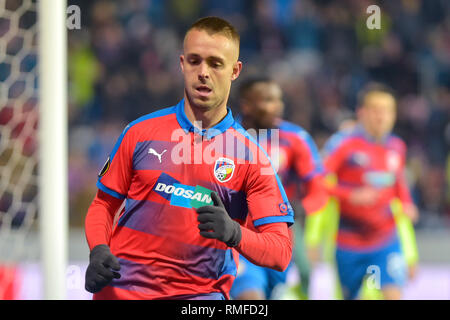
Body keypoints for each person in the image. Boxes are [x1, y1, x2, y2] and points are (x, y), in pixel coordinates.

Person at [84, 17, 294, 300]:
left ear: (235, 70)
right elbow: (103, 205)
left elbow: (280, 252)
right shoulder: (139, 132)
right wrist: (98, 248)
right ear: (182, 64)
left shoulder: (251, 157)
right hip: (121, 292)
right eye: (194, 61)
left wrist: (234, 233)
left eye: (215, 63)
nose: (203, 72)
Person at [229, 78, 328, 300]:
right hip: (239, 232)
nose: (277, 106)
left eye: (278, 100)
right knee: (250, 297)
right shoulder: (224, 138)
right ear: (246, 105)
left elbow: (319, 189)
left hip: (281, 232)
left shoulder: (295, 138)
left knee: (303, 273)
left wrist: (302, 207)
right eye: (267, 100)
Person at [322, 83, 419, 300]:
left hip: (385, 239)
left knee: (393, 294)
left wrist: (406, 202)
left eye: (388, 111)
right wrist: (350, 195)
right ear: (362, 112)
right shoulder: (342, 144)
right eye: (376, 110)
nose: (382, 117)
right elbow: (317, 182)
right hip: (348, 242)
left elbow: (398, 181)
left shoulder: (397, 146)